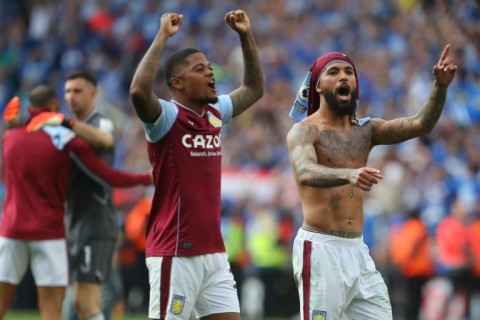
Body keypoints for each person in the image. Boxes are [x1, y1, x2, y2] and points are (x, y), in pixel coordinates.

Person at [286, 45, 457, 320]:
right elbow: (305, 171)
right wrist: (348, 174)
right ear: (317, 86)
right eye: (334, 72)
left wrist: (440, 87)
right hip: (320, 249)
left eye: (349, 72)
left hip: (358, 251)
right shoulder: (305, 130)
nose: (344, 77)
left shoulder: (366, 130)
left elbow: (421, 124)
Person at [129, 9, 264, 320]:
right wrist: (162, 35)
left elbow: (254, 89)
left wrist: (245, 35)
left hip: (214, 253)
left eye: (209, 67)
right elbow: (138, 91)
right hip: (175, 252)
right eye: (199, 69)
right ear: (178, 82)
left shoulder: (215, 113)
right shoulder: (166, 118)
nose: (209, 73)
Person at [0, 85, 152, 320]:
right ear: (56, 107)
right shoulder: (64, 140)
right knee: (51, 309)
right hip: (48, 233)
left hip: (11, 230)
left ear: (29, 109)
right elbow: (107, 175)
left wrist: (11, 128)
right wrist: (146, 177)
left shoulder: (10, 138)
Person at [27, 71, 126, 320]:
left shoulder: (99, 122)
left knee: (86, 300)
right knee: (77, 301)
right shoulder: (65, 129)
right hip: (74, 224)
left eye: (78, 91)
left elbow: (104, 140)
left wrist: (66, 123)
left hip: (95, 223)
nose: (71, 96)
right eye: (68, 91)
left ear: (93, 93)